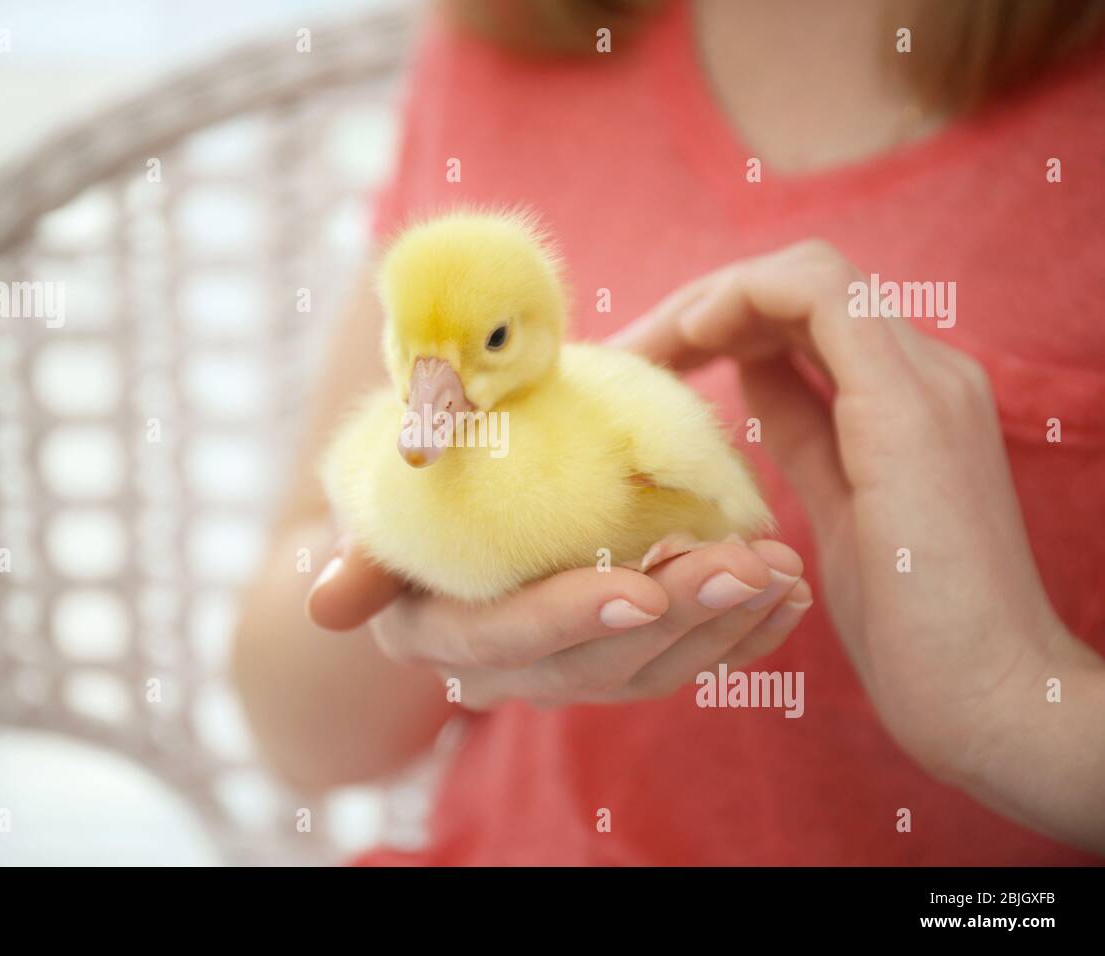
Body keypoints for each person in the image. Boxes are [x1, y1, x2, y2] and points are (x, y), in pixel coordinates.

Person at [233, 0, 1105, 863]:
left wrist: (1020, 704)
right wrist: (400, 593)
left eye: (491, 344)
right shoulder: (507, 31)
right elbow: (301, 737)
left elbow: (704, 485)